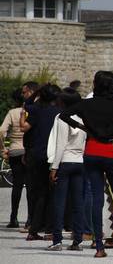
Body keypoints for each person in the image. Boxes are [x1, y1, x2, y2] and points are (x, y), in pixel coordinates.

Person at [59, 71, 113, 258]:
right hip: (112, 151)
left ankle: (99, 247)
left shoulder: (86, 104)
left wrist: (84, 128)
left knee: (97, 200)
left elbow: (64, 115)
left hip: (92, 150)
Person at [20, 84, 62, 241]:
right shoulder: (59, 112)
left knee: (40, 194)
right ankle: (50, 229)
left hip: (37, 154)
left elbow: (27, 105)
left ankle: (34, 229)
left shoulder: (36, 111)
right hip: (52, 155)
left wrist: (37, 91)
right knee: (53, 193)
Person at [46, 88, 86, 251]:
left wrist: (54, 167)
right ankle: (77, 240)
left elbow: (60, 144)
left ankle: (57, 240)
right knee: (78, 203)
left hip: (65, 162)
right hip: (80, 162)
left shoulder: (62, 117)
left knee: (59, 202)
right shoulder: (83, 117)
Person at [0, 89, 26, 228]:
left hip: (15, 151)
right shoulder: (30, 111)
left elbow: (1, 131)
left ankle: (13, 217)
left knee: (17, 185)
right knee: (33, 187)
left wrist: (3, 149)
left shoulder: (12, 113)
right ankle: (31, 219)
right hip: (29, 151)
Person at [19, 81, 39, 232]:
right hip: (34, 150)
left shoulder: (34, 109)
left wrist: (22, 113)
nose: (23, 95)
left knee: (32, 189)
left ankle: (32, 222)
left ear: (31, 92)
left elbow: (24, 128)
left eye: (24, 92)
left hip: (34, 151)